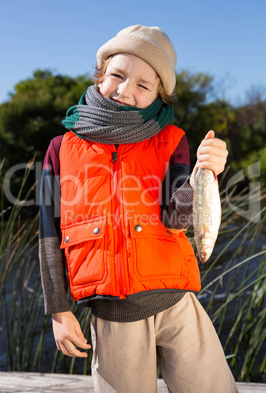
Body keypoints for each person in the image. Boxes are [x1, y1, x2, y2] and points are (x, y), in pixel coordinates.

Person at [39, 25, 238, 392]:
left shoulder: (171, 140)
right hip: (114, 316)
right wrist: (59, 310)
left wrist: (202, 175)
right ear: (100, 75)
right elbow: (49, 234)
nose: (126, 90)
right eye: (117, 75)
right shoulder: (60, 148)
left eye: (144, 85)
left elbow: (176, 220)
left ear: (158, 95)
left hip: (178, 303)